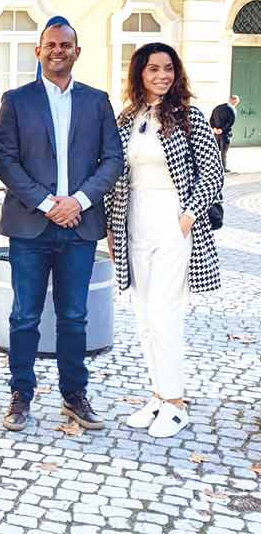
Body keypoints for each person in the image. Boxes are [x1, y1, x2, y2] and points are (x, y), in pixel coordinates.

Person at [0, 16, 123, 433]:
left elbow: (113, 160)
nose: (57, 50)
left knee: (74, 316)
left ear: (76, 52)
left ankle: (74, 395)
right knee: (24, 316)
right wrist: (49, 203)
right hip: (30, 225)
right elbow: (6, 161)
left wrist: (79, 201)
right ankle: (21, 395)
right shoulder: (16, 100)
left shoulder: (97, 101)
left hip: (80, 226)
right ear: (39, 51)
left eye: (66, 45)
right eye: (50, 44)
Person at [106, 42, 222, 437]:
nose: (162, 75)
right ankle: (158, 394)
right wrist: (111, 226)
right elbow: (115, 176)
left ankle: (175, 401)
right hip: (133, 220)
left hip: (173, 221)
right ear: (140, 73)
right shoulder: (127, 119)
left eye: (168, 68)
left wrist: (189, 215)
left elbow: (212, 172)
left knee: (164, 313)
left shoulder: (189, 116)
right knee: (142, 315)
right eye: (153, 68)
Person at [209, 95, 240, 172]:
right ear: (234, 101)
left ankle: (213, 166)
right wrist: (222, 130)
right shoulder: (232, 109)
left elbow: (211, 119)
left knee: (215, 151)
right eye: (236, 102)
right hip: (225, 134)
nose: (236, 104)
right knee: (224, 152)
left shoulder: (217, 108)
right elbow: (231, 122)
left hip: (216, 134)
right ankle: (223, 167)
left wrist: (214, 128)